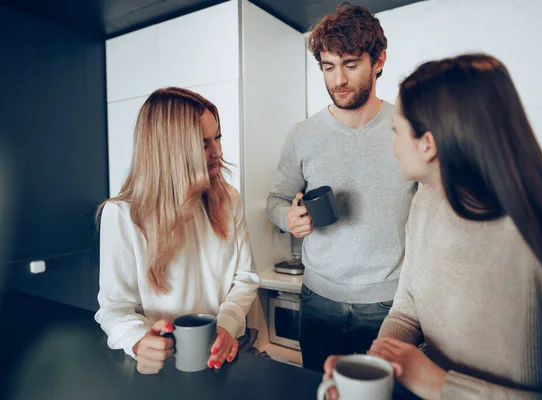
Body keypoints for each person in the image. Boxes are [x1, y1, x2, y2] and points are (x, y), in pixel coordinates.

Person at [322, 53, 542, 399]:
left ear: (428, 145)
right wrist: (373, 370)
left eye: (397, 130)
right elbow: (408, 308)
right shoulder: (425, 202)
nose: (392, 144)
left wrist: (439, 384)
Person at [266, 2, 417, 373]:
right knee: (324, 391)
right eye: (328, 67)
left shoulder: (408, 127)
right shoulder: (302, 135)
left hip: (390, 306)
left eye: (350, 65)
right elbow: (276, 200)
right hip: (317, 300)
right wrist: (288, 217)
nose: (338, 80)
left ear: (378, 60)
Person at [95, 87, 260, 374]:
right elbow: (115, 307)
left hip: (224, 352)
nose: (218, 152)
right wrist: (138, 340)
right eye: (203, 143)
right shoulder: (122, 215)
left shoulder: (227, 198)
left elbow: (244, 278)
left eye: (217, 138)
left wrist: (226, 325)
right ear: (168, 150)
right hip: (162, 366)